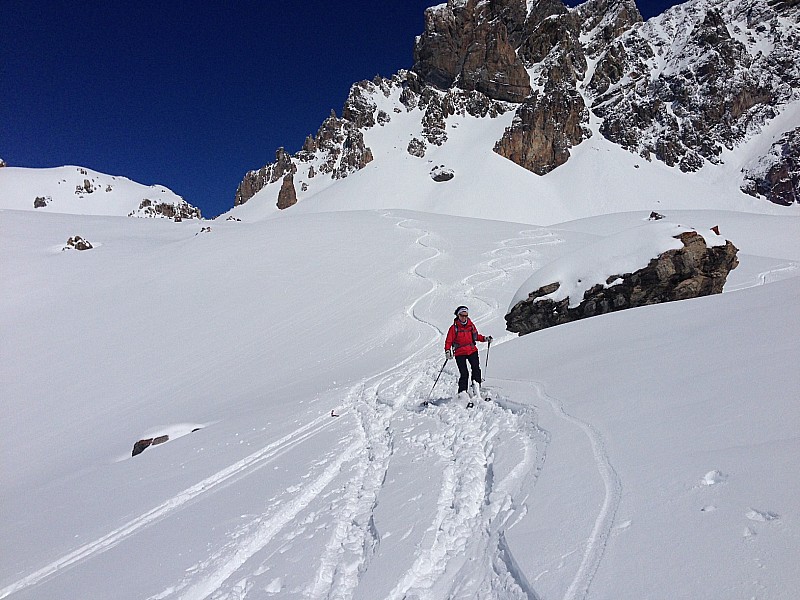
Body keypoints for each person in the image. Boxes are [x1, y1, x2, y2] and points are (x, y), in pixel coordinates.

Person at [444, 306, 492, 404]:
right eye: (462, 315)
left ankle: (476, 388)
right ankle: (462, 394)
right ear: (458, 315)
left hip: (472, 350)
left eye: (466, 315)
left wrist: (485, 338)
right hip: (460, 352)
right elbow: (448, 341)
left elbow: (476, 336)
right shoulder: (454, 328)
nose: (464, 317)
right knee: (464, 373)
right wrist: (447, 351)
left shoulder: (470, 325)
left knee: (476, 369)